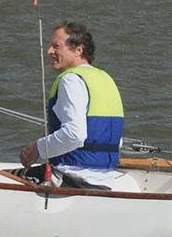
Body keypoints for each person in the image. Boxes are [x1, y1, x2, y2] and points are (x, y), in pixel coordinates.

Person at [18, 21, 124, 189]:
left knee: (8, 177)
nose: (49, 51)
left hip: (73, 177)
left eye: (56, 46)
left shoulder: (71, 80)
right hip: (106, 179)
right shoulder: (106, 79)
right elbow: (117, 141)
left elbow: (74, 135)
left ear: (78, 50)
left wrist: (36, 148)